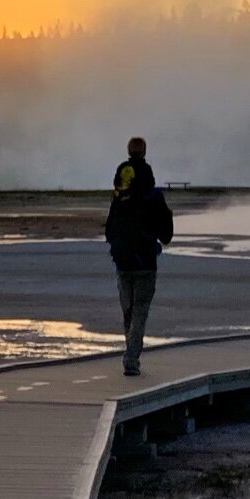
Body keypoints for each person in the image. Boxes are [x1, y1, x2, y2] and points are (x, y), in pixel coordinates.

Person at [104, 136, 172, 377]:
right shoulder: (152, 194)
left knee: (128, 311)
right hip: (145, 261)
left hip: (122, 260)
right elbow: (167, 233)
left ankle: (130, 353)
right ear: (145, 153)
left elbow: (109, 226)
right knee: (140, 312)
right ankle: (131, 359)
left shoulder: (119, 194)